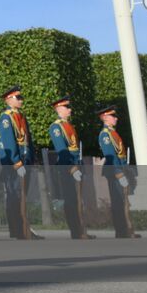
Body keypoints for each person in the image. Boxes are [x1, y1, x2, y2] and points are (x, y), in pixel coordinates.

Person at [0, 86, 41, 240]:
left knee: (22, 196)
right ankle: (16, 229)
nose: (21, 100)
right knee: (15, 196)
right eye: (18, 98)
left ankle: (24, 227)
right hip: (14, 164)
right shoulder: (6, 118)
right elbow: (9, 142)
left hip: (25, 160)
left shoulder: (21, 117)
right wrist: (17, 162)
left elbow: (28, 140)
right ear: (9, 99)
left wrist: (31, 158)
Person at [49, 97, 91, 239]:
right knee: (71, 199)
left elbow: (75, 148)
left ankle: (82, 229)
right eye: (67, 107)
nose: (70, 109)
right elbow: (62, 149)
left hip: (76, 165)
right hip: (67, 168)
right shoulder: (56, 127)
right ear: (59, 109)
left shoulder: (69, 125)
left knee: (79, 199)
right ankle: (76, 230)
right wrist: (72, 168)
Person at [96, 104, 139, 239]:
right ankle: (122, 230)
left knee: (124, 201)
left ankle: (126, 229)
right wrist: (118, 173)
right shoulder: (105, 135)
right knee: (119, 201)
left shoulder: (113, 133)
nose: (116, 118)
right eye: (112, 116)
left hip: (121, 169)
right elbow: (110, 155)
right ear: (104, 117)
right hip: (115, 172)